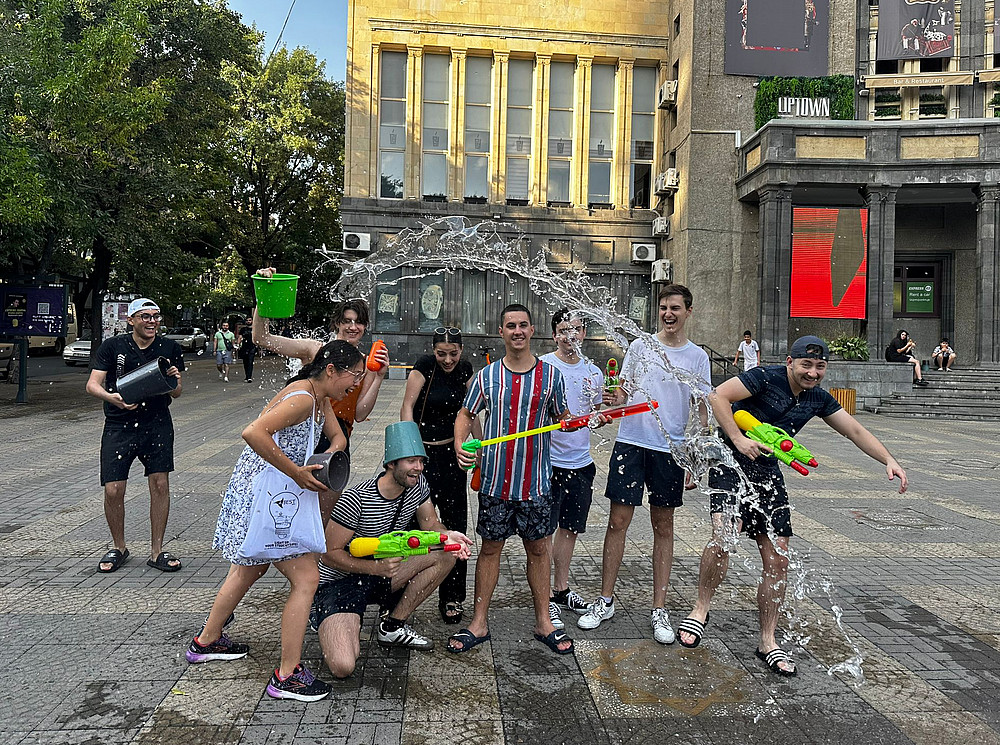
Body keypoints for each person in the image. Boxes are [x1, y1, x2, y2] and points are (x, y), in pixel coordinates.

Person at [677, 335, 908, 677]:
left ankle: (767, 640)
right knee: (724, 537)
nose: (812, 373)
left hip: (768, 474)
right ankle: (700, 609)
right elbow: (717, 396)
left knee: (778, 558)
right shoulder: (764, 377)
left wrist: (889, 459)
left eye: (820, 367)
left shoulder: (817, 398)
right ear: (790, 362)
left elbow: (855, 431)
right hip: (731, 464)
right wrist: (738, 439)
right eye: (806, 365)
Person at [185, 340, 363, 702]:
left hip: (269, 493)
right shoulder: (304, 399)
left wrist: (328, 457)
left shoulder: (319, 397)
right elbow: (253, 432)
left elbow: (338, 438)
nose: (357, 384)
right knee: (307, 578)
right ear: (331, 370)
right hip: (268, 496)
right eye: (354, 375)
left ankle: (206, 640)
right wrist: (296, 471)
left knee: (248, 569)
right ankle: (287, 675)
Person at [577, 284, 710, 646]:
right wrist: (611, 400)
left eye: (675, 308)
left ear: (688, 312)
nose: (668, 314)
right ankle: (605, 600)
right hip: (632, 443)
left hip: (670, 450)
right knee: (617, 522)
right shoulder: (640, 346)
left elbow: (702, 409)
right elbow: (624, 391)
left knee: (663, 526)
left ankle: (659, 608)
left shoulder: (697, 357)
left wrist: (695, 457)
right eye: (664, 307)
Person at [451, 304, 575, 655]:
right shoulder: (487, 376)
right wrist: (460, 444)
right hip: (495, 482)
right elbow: (466, 414)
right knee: (490, 549)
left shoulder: (551, 376)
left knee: (538, 549)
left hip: (536, 483)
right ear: (501, 332)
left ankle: (543, 622)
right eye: (510, 326)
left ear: (532, 330)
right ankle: (479, 622)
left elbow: (563, 417)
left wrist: (582, 420)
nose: (517, 331)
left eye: (523, 325)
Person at [311, 422, 473, 678]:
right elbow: (328, 554)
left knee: (444, 554)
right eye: (411, 461)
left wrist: (447, 536)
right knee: (343, 666)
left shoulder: (417, 486)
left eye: (421, 461)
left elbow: (431, 525)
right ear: (391, 464)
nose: (419, 468)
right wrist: (374, 567)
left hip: (380, 574)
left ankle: (392, 626)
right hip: (340, 584)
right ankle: (325, 614)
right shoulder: (356, 499)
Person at [86, 298, 185, 574]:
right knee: (113, 488)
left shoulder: (169, 348)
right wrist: (112, 398)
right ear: (131, 320)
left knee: (160, 484)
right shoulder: (113, 346)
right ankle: (119, 547)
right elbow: (92, 385)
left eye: (156, 316)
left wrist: (174, 380)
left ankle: (157, 550)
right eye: (145, 316)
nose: (152, 321)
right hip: (119, 424)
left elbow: (177, 392)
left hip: (157, 422)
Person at [400, 326, 479, 625]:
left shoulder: (465, 369)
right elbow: (407, 407)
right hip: (423, 456)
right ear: (433, 351)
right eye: (441, 354)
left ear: (461, 350)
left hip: (453, 456)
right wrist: (410, 450)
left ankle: (452, 596)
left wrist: (481, 447)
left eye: (453, 354)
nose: (447, 360)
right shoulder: (424, 366)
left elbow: (471, 412)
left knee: (455, 523)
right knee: (413, 524)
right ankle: (402, 594)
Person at [540, 309, 608, 630]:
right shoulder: (543, 367)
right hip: (548, 462)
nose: (571, 335)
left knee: (570, 529)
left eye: (577, 329)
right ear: (554, 335)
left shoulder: (594, 372)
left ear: (583, 334)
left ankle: (560, 589)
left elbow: (594, 413)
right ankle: (544, 599)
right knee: (544, 531)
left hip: (581, 463)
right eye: (564, 330)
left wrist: (600, 418)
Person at [237, 317, 257, 383]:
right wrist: (238, 344)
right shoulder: (243, 329)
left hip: (252, 347)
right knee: (245, 362)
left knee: (250, 362)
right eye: (247, 320)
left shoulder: (255, 329)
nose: (248, 321)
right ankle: (247, 376)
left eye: (250, 320)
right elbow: (240, 337)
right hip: (244, 347)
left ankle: (249, 377)